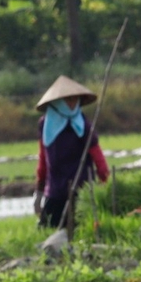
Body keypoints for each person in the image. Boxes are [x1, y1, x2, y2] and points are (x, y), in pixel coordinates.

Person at [33, 76, 110, 243]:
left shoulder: (82, 124)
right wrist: (39, 191)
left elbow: (97, 155)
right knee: (47, 231)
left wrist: (105, 179)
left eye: (75, 99)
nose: (73, 103)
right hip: (55, 190)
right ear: (57, 102)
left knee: (80, 231)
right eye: (68, 99)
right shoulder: (45, 125)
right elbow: (43, 159)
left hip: (80, 188)